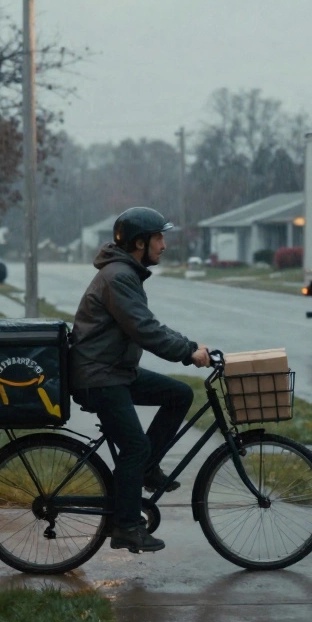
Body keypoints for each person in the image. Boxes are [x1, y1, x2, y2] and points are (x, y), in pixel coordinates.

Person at [70, 206, 211, 554]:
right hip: (99, 376)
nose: (164, 244)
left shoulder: (124, 273)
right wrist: (187, 351)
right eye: (159, 237)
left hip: (112, 370)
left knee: (178, 394)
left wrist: (188, 345)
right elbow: (145, 329)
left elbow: (147, 323)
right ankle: (127, 526)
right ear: (138, 243)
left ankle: (146, 471)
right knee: (134, 446)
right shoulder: (118, 277)